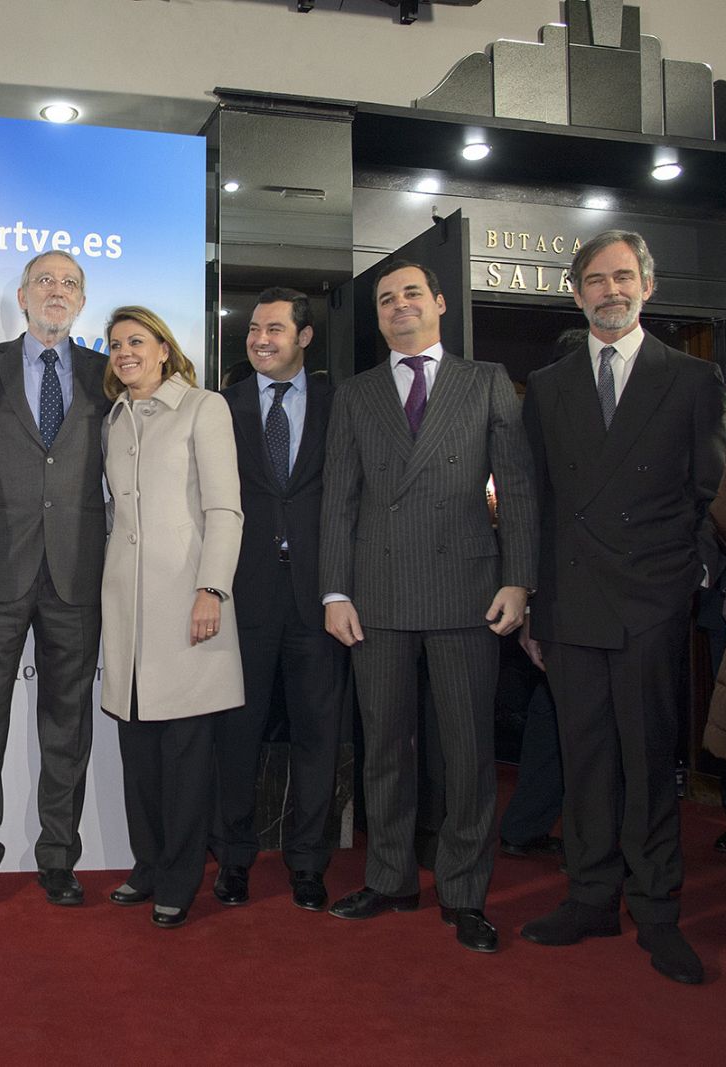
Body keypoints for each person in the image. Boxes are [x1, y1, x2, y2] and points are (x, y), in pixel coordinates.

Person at [519, 230, 726, 985]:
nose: (611, 290)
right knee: (587, 760)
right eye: (596, 280)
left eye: (624, 276)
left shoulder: (695, 379)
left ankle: (659, 911)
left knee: (647, 762)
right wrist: (536, 603)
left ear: (648, 285)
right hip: (571, 602)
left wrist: (686, 580)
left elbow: (708, 496)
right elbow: (535, 502)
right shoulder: (547, 385)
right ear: (576, 293)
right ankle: (591, 896)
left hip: (649, 602)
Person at [320, 260, 536, 953]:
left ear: (440, 303)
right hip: (375, 597)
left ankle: (465, 891)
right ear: (378, 316)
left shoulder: (486, 382)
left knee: (468, 751)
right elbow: (338, 502)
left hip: (466, 592)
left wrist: (519, 580)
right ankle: (388, 877)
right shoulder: (356, 395)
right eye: (386, 299)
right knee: (384, 746)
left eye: (412, 293)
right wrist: (334, 590)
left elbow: (521, 491)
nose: (400, 305)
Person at [0, 251, 111, 907]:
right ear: (22, 295)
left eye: (69, 283)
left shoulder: (108, 374)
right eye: (44, 280)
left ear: (81, 302)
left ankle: (58, 856)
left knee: (68, 724)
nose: (57, 290)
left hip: (78, 570)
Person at [101, 306, 242, 928]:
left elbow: (225, 510)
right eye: (114, 345)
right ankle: (149, 863)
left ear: (164, 348)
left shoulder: (203, 408)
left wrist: (212, 588)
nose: (124, 352)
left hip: (188, 603)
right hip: (127, 609)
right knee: (139, 749)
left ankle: (182, 877)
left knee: (186, 752)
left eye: (136, 341)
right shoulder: (114, 418)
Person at [212, 288, 344, 912]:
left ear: (305, 337)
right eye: (253, 329)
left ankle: (309, 863)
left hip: (323, 598)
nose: (260, 339)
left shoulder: (342, 404)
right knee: (237, 735)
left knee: (319, 736)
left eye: (274, 328)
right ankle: (233, 860)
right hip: (244, 593)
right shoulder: (221, 407)